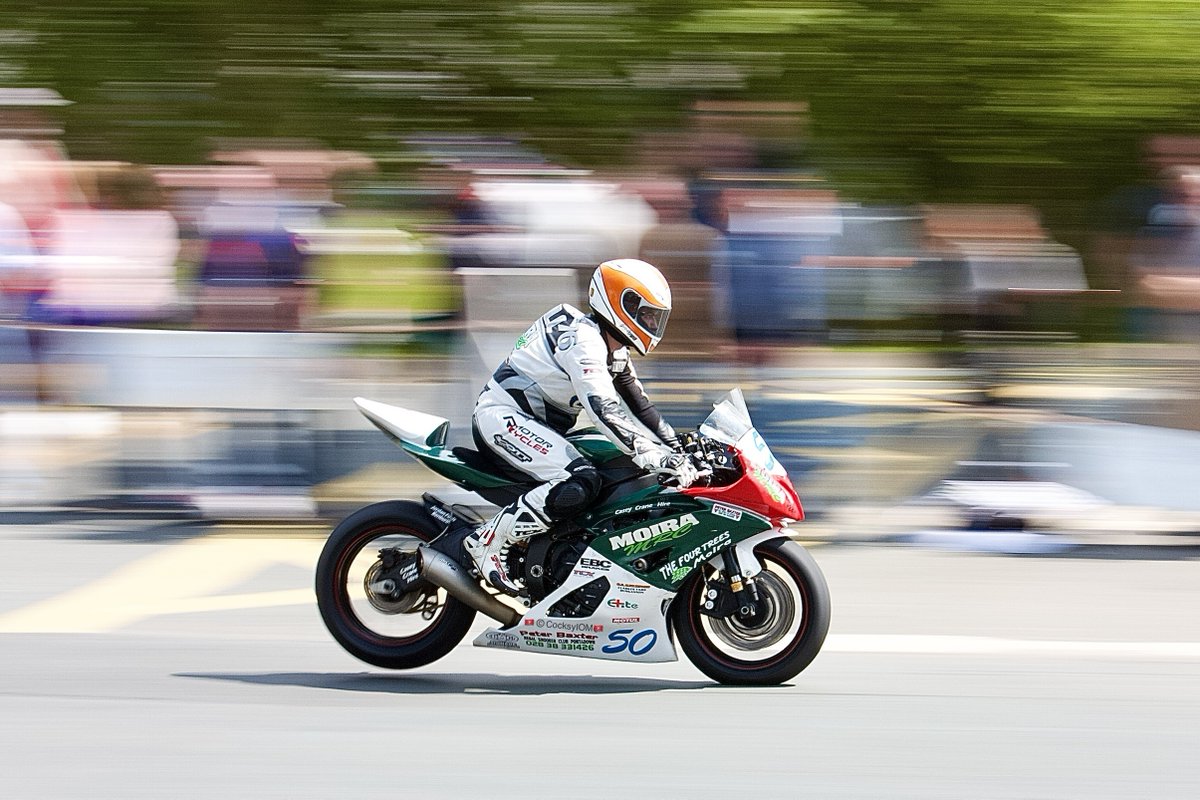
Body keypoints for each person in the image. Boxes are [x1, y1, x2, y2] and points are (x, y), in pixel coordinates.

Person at [464, 258, 699, 595]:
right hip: (502, 418)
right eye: (646, 314)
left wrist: (680, 447)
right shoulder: (583, 341)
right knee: (579, 479)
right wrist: (656, 455)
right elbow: (603, 409)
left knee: (614, 470)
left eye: (655, 317)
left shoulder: (612, 349)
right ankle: (488, 541)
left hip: (535, 425)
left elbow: (642, 407)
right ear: (619, 303)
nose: (651, 323)